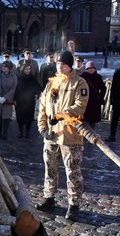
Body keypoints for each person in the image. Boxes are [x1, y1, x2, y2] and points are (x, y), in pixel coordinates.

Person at [36, 51, 89, 221]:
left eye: (63, 64)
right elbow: (42, 107)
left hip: (69, 136)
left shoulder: (79, 83)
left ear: (69, 65)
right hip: (51, 136)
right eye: (58, 63)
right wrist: (42, 128)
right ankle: (49, 197)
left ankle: (74, 204)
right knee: (49, 167)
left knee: (72, 171)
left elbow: (80, 106)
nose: (60, 66)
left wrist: (60, 115)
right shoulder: (52, 83)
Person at [14, 63, 41, 138]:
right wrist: (15, 99)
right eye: (26, 69)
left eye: (29, 69)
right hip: (20, 100)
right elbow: (15, 89)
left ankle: (27, 132)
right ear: (23, 69)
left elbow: (37, 87)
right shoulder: (18, 77)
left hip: (30, 101)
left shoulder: (32, 78)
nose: (28, 70)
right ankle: (21, 132)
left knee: (29, 117)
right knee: (20, 117)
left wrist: (37, 94)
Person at [0, 61, 17, 139]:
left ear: (9, 68)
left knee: (6, 117)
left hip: (8, 99)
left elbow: (13, 88)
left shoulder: (13, 76)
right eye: (2, 66)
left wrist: (5, 97)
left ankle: (5, 133)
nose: (3, 68)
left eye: (5, 67)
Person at [80, 61, 106, 129]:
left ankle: (92, 136)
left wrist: (100, 97)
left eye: (92, 68)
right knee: (84, 121)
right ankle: (84, 137)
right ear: (86, 69)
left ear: (95, 69)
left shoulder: (98, 77)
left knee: (93, 121)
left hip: (95, 102)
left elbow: (103, 88)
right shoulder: (82, 77)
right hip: (85, 101)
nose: (91, 69)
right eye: (89, 68)